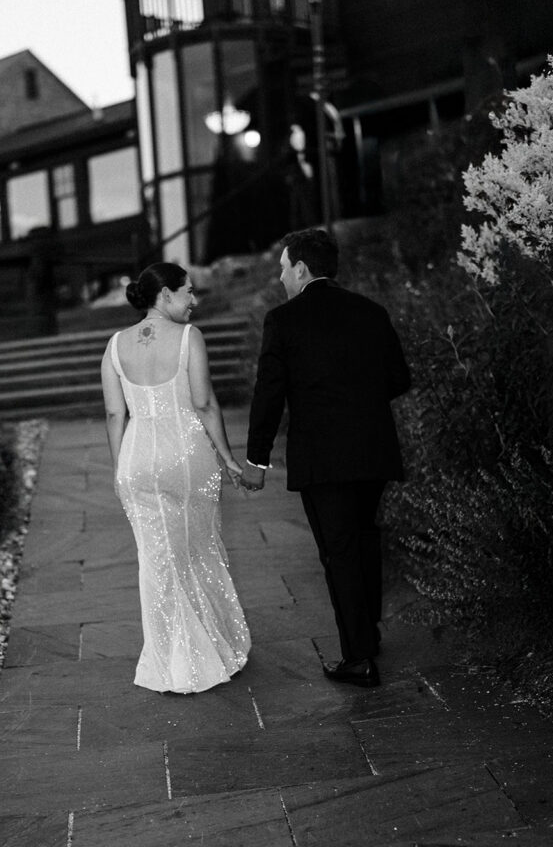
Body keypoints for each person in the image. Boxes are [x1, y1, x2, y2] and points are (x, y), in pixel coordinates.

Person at [240, 228, 410, 688]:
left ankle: (358, 658)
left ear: (300, 268)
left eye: (282, 269)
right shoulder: (371, 311)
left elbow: (269, 394)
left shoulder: (284, 320)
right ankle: (368, 635)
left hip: (323, 456)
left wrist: (256, 460)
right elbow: (399, 378)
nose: (280, 279)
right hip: (373, 448)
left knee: (339, 552)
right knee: (364, 537)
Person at [101, 262, 250, 694]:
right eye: (187, 292)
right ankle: (203, 654)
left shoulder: (114, 345)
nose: (194, 301)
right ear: (164, 295)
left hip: (134, 459)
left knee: (155, 560)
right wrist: (227, 458)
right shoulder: (189, 337)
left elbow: (115, 414)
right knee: (196, 549)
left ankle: (166, 658)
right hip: (184, 456)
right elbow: (203, 404)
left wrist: (119, 470)